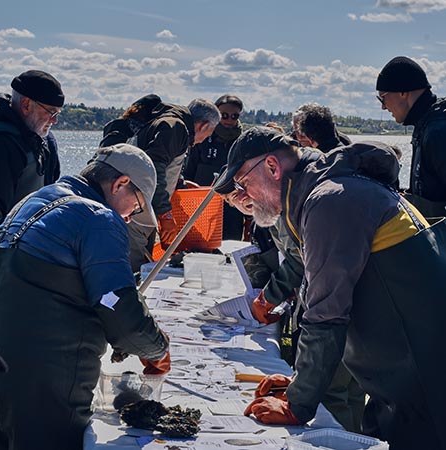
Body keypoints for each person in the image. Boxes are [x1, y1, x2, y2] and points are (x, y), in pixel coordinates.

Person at [220, 126, 446, 449]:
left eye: (243, 184)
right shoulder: (329, 189)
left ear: (271, 167)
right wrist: (301, 382)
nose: (243, 197)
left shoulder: (329, 201)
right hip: (405, 374)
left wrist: (296, 404)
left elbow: (326, 313)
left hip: (423, 382)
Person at [0, 143, 170, 450]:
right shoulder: (99, 218)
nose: (130, 218)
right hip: (48, 378)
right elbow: (117, 306)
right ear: (120, 184)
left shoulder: (34, 199)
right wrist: (156, 347)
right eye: (137, 207)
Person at [103, 96, 220, 272]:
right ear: (203, 126)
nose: (203, 140)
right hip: (133, 210)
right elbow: (154, 169)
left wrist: (180, 183)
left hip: (139, 208)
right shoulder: (176, 128)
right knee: (134, 269)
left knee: (144, 265)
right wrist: (165, 215)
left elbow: (163, 163)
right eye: (208, 134)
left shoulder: (170, 124)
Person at [376, 55, 446, 218]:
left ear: (402, 92)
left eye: (383, 98)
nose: (383, 107)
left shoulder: (438, 131)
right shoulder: (427, 124)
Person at [0, 70, 65, 227]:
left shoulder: (48, 142)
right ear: (26, 105)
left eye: (58, 113)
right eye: (51, 112)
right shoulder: (2, 144)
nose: (54, 121)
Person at [183, 94, 247, 240]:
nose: (229, 120)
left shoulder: (243, 142)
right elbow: (189, 170)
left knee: (230, 248)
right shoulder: (203, 138)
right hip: (202, 203)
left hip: (232, 207)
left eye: (234, 116)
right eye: (224, 115)